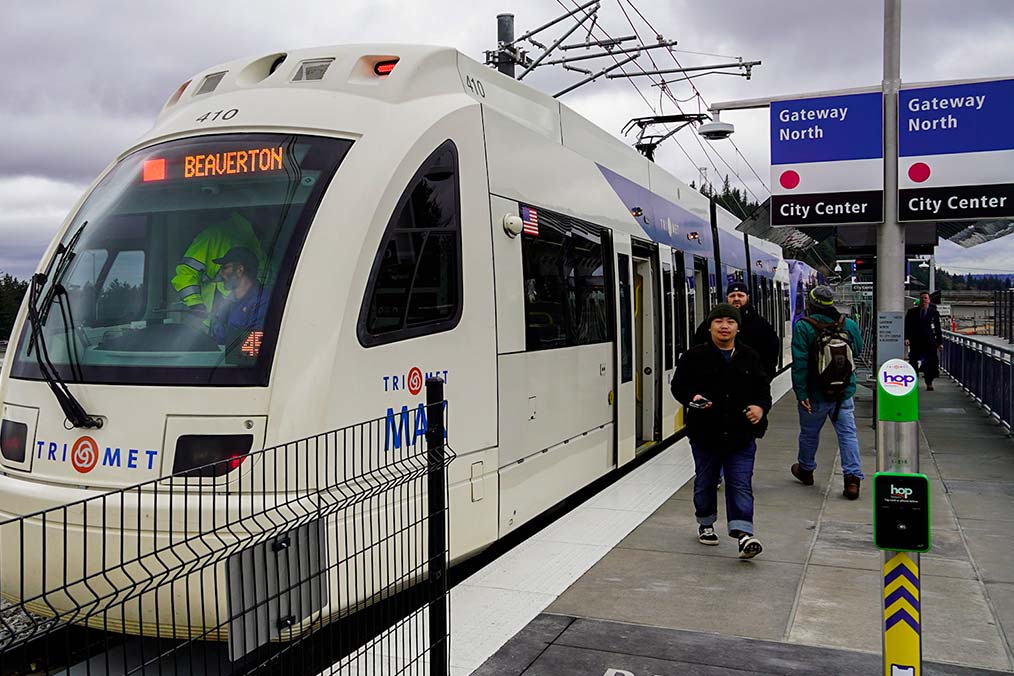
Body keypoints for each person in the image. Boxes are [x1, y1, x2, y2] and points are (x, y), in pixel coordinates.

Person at [671, 303, 772, 559]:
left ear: (738, 327)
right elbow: (678, 386)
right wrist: (692, 397)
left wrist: (760, 408)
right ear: (710, 326)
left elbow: (763, 391)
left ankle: (744, 533)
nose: (724, 326)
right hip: (705, 434)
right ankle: (705, 522)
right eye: (719, 321)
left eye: (730, 321)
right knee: (705, 482)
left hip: (741, 434)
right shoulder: (694, 356)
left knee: (740, 484)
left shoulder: (750, 356)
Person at [790, 286, 865, 500]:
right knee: (848, 435)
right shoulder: (848, 324)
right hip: (843, 393)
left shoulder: (804, 326)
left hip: (814, 394)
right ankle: (852, 479)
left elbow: (800, 364)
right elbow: (857, 350)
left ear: (810, 303)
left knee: (809, 433)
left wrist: (801, 392)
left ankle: (806, 470)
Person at [171, 212, 267, 321]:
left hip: (245, 317)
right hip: (211, 320)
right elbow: (185, 273)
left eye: (224, 267)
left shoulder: (262, 239)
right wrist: (195, 304)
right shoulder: (214, 236)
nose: (221, 272)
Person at [694, 281, 781, 381]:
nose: (736, 299)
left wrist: (763, 379)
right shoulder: (710, 323)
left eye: (740, 295)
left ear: (747, 297)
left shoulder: (761, 325)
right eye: (732, 296)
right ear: (727, 298)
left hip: (749, 384)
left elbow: (771, 353)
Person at [208, 247, 272, 345]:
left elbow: (254, 347)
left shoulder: (266, 300)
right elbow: (217, 341)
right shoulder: (227, 304)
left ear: (239, 270)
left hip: (245, 360)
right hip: (223, 359)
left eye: (224, 267)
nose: (220, 273)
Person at [905, 291, 943, 391]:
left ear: (929, 300)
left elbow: (938, 329)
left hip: (929, 341)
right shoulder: (912, 312)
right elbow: (907, 326)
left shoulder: (934, 313)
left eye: (925, 298)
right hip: (915, 341)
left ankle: (929, 382)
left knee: (929, 362)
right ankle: (913, 381)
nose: (923, 300)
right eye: (922, 298)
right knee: (913, 361)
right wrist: (907, 338)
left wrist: (940, 343)